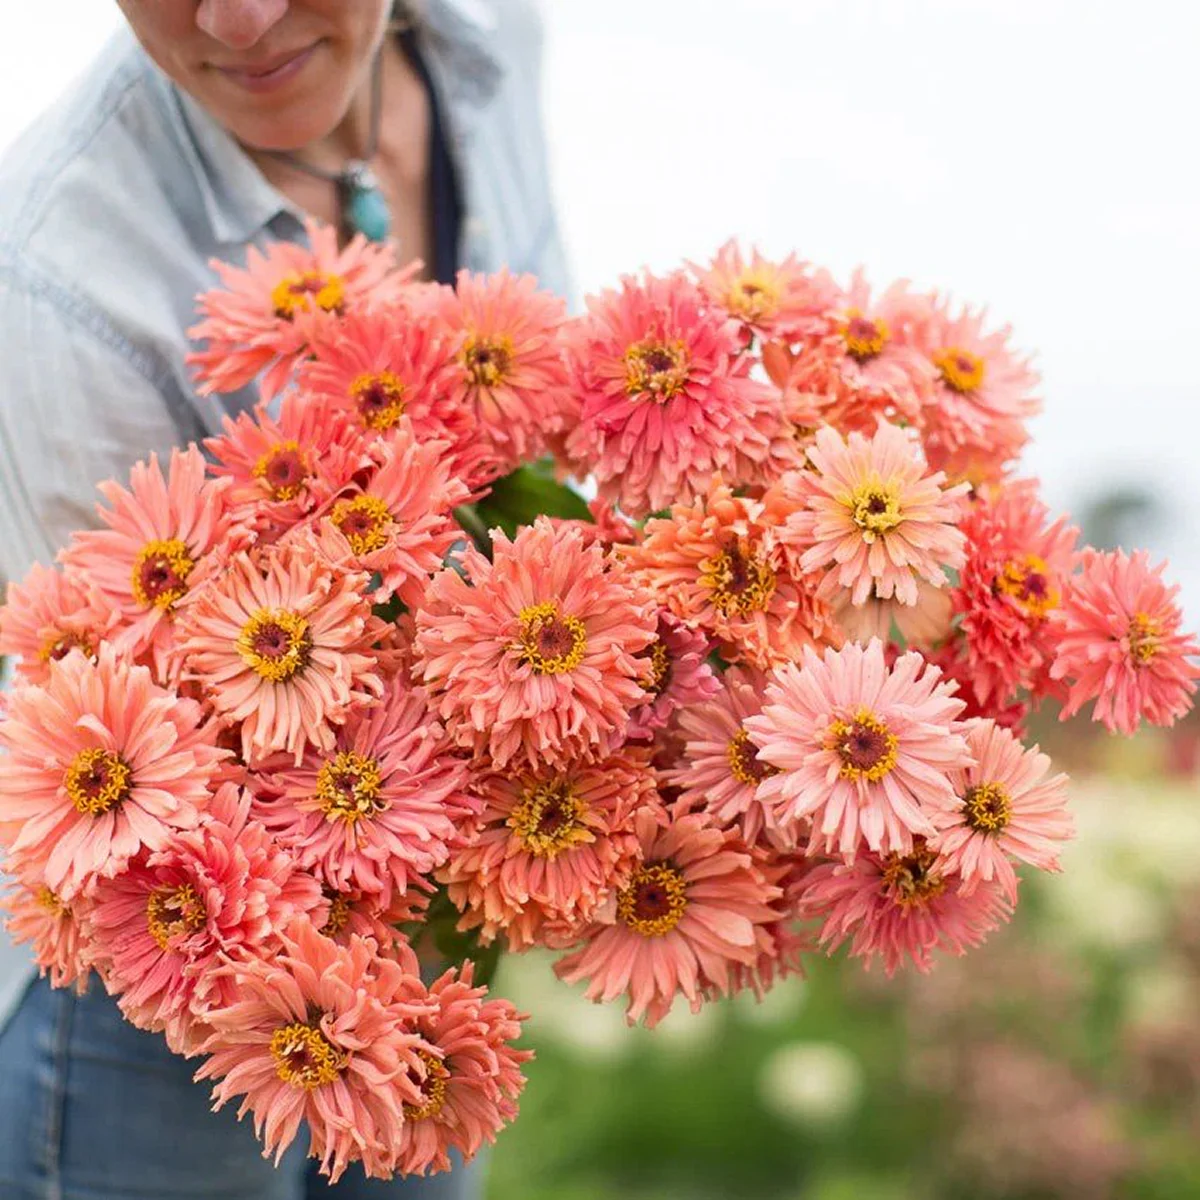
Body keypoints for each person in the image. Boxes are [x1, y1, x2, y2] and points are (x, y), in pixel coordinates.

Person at [0, 1, 570, 1197]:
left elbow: (554, 427)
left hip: (415, 906)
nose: (240, 19)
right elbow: (129, 730)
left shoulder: (486, 38)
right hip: (155, 956)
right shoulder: (59, 278)